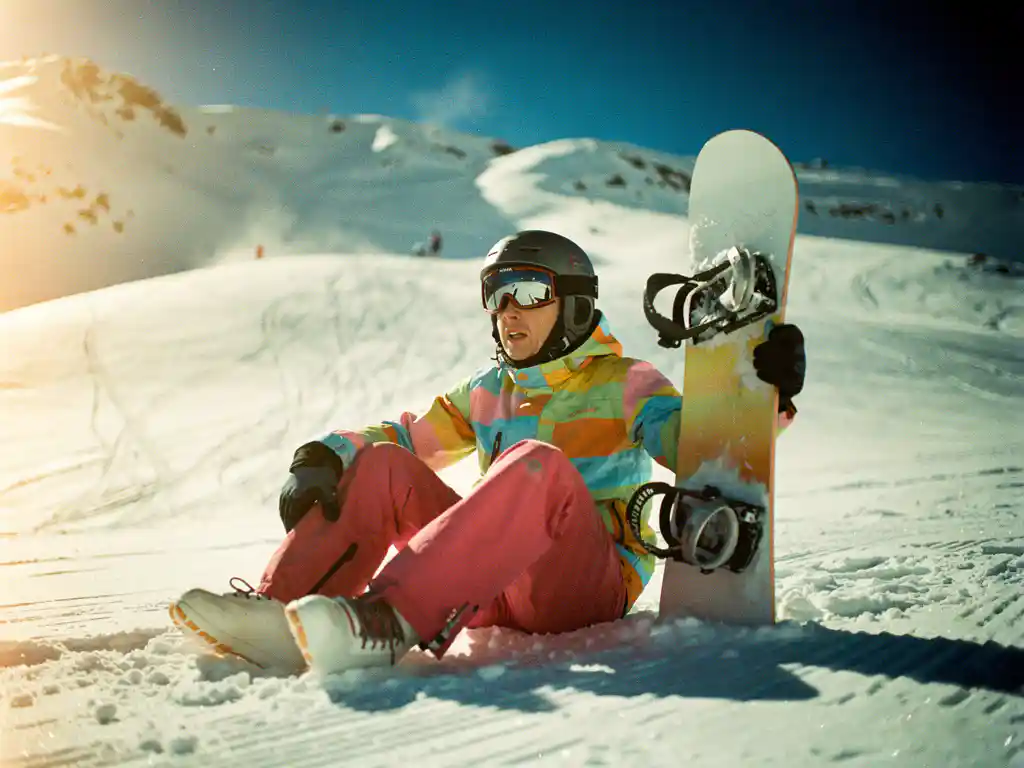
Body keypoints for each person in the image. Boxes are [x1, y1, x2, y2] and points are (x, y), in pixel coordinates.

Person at [170, 230, 806, 676]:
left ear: (575, 303)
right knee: (385, 467)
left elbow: (698, 448)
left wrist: (763, 396)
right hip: (490, 585)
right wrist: (328, 456)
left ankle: (387, 622)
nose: (508, 312)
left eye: (527, 292)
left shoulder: (625, 382)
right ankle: (280, 613)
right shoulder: (487, 391)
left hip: (583, 588)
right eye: (496, 295)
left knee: (538, 464)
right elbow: (407, 437)